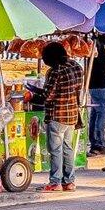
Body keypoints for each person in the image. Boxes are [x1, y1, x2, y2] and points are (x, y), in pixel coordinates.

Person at [39, 39, 88, 191]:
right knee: (68, 148)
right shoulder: (77, 66)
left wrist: (35, 93)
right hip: (72, 114)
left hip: (57, 115)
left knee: (56, 150)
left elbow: (48, 95)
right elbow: (79, 89)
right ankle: (69, 181)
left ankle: (55, 182)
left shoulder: (56, 71)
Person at [86, 33, 105, 162]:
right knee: (101, 113)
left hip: (93, 83)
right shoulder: (99, 46)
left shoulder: (97, 45)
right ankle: (99, 143)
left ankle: (94, 142)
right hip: (100, 83)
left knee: (95, 114)